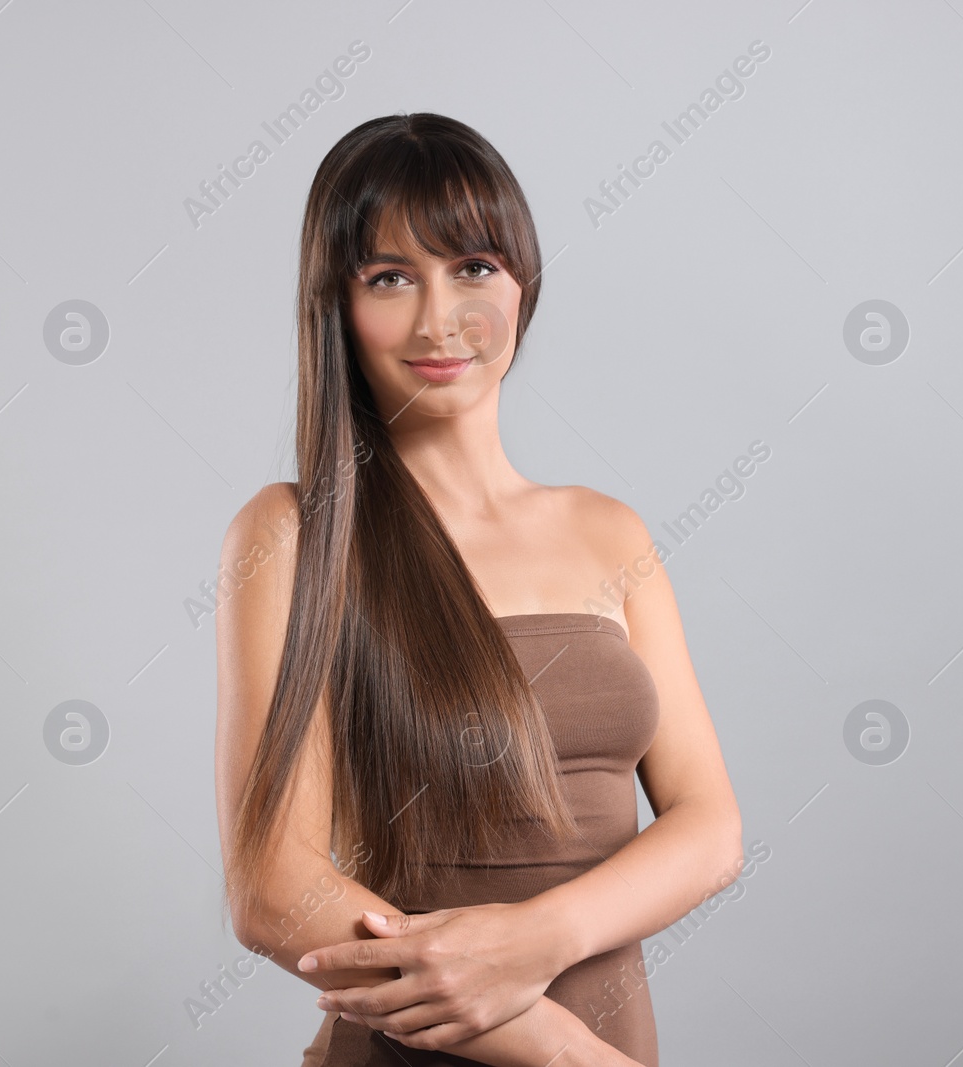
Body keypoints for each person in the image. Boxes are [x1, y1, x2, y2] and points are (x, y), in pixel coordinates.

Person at [213, 113, 744, 1066]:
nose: (436, 318)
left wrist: (541, 939)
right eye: (388, 278)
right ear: (335, 304)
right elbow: (271, 886)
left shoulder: (608, 530)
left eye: (473, 268)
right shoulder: (296, 531)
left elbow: (709, 828)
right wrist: (559, 1046)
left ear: (523, 281)